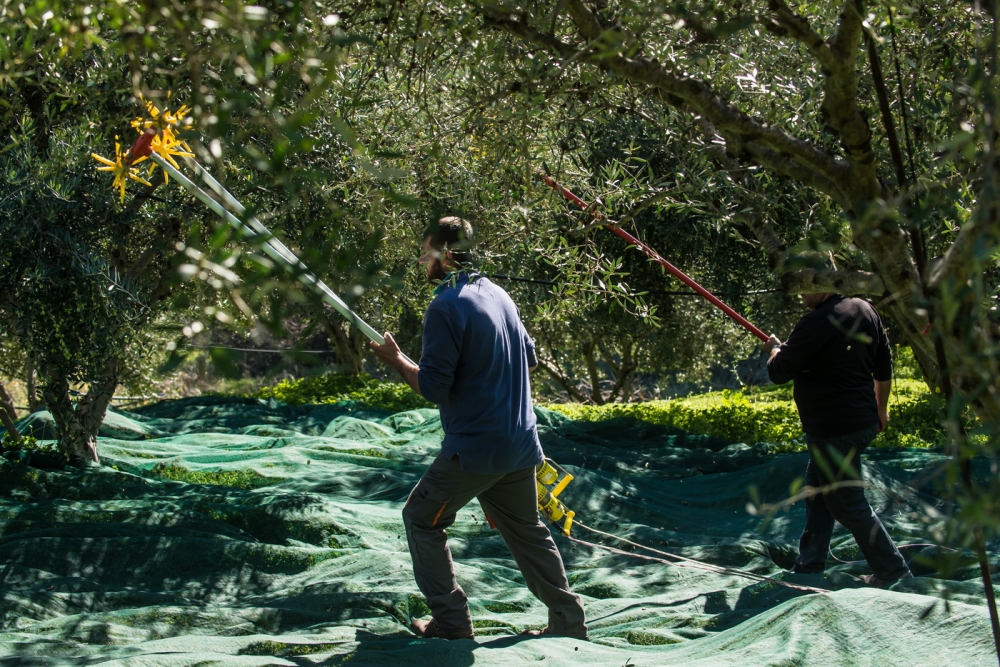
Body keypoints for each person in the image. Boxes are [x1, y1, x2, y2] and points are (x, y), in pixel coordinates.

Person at [369, 216, 588, 640]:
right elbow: (528, 360)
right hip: (522, 445)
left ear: (446, 254)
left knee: (420, 519)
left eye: (426, 250)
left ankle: (451, 622)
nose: (420, 259)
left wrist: (397, 361)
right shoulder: (500, 294)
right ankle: (568, 620)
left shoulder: (445, 305)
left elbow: (433, 387)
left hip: (475, 450)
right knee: (527, 531)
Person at [764, 291, 913, 587]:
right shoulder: (864, 309)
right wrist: (881, 409)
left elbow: (779, 372)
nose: (800, 293)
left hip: (834, 429)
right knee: (818, 493)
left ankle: (893, 571)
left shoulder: (815, 322)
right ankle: (809, 564)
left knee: (847, 503)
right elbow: (883, 364)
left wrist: (774, 350)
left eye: (804, 285)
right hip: (861, 422)